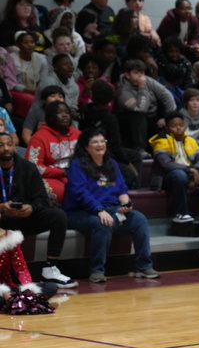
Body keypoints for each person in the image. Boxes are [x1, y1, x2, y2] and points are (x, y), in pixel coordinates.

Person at [63, 128, 159, 283]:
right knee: (102, 224)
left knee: (139, 219)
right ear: (86, 146)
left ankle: (144, 266)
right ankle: (97, 271)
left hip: (111, 209)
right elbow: (81, 194)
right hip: (80, 212)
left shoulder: (111, 163)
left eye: (102, 141)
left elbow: (121, 189)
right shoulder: (77, 165)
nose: (100, 144)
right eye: (95, 142)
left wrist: (126, 202)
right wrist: (99, 210)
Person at [0, 131, 76, 288]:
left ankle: (50, 268)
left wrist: (31, 208)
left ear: (15, 146)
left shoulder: (28, 168)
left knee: (57, 215)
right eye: (0, 145)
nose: (6, 148)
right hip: (2, 220)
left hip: (25, 218)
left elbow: (42, 200)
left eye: (9, 144)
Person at [149, 111, 199, 223]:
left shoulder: (191, 140)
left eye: (181, 125)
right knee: (179, 175)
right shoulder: (160, 141)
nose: (178, 128)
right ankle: (180, 213)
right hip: (168, 177)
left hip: (191, 173)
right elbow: (167, 164)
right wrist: (190, 170)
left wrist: (196, 170)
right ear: (167, 128)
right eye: (174, 126)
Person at [115, 59, 177, 150]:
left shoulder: (148, 80)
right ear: (127, 75)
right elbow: (141, 109)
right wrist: (142, 87)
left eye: (142, 73)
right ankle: (140, 148)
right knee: (139, 116)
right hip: (131, 121)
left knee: (174, 118)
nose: (140, 76)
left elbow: (167, 96)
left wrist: (167, 118)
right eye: (136, 73)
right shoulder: (122, 90)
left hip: (151, 116)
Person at [27, 100, 80, 205]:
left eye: (67, 112)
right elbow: (34, 167)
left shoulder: (79, 135)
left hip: (77, 174)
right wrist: (62, 173)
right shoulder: (39, 138)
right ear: (51, 116)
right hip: (51, 177)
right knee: (54, 192)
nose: (64, 115)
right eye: (59, 112)